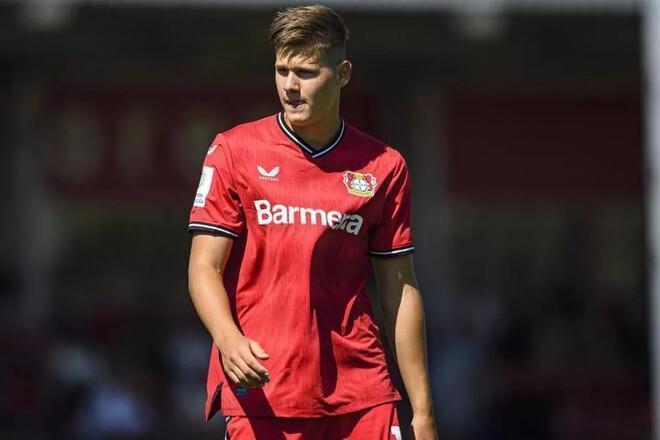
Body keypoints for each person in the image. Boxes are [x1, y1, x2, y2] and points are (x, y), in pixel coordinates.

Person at [187, 5, 437, 439]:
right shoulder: (234, 150)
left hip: (362, 396)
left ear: (342, 74)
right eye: (281, 71)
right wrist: (228, 339)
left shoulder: (383, 166)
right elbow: (203, 267)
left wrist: (423, 412)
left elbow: (399, 289)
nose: (290, 86)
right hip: (263, 390)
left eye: (305, 73)